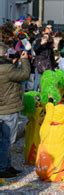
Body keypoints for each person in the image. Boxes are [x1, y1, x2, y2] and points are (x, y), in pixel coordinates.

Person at [0, 44, 30, 178]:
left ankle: (6, 166)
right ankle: (3, 168)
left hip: (3, 107)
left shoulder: (7, 68)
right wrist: (24, 60)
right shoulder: (7, 68)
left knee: (3, 140)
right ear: (5, 54)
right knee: (7, 141)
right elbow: (24, 75)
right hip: (8, 108)